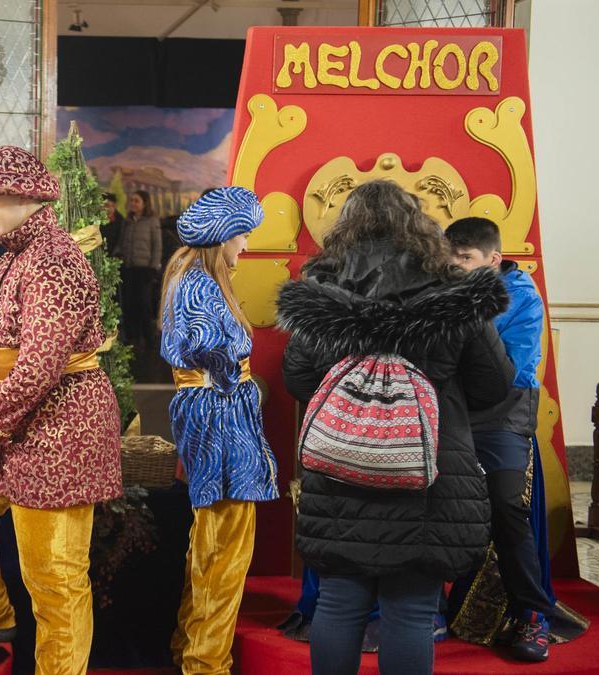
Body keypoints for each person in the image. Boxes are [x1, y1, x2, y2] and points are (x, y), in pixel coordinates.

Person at [276, 180, 514, 675]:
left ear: (345, 229)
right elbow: (494, 385)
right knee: (411, 610)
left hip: (340, 472)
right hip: (431, 475)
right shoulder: (455, 292)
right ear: (419, 226)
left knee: (338, 603)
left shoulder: (320, 293)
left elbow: (298, 379)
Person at [0, 145, 122, 674]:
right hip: (13, 421)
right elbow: (8, 358)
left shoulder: (54, 259)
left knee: (56, 581)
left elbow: (39, 365)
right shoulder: (17, 251)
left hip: (62, 432)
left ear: (24, 195)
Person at [159, 187, 279, 674]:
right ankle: (205, 663)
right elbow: (213, 352)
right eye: (243, 234)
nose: (246, 245)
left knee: (212, 540)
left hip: (214, 415)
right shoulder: (200, 286)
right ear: (222, 235)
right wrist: (235, 379)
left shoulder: (190, 278)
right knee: (224, 548)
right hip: (221, 417)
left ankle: (191, 648)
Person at [446, 216, 553, 661]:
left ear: (494, 259)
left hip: (502, 417)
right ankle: (421, 607)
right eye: (450, 257)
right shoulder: (443, 289)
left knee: (507, 507)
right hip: (452, 412)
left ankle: (533, 615)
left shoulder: (523, 298)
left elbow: (513, 373)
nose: (456, 266)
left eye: (465, 258)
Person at [114, 190, 162, 348]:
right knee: (129, 304)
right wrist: (117, 254)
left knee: (144, 304)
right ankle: (132, 338)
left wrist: (153, 267)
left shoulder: (152, 221)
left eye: (137, 201)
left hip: (145, 269)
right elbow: (122, 241)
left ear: (144, 203)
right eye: (132, 200)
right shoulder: (127, 220)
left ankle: (149, 338)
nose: (133, 203)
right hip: (128, 268)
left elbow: (157, 246)